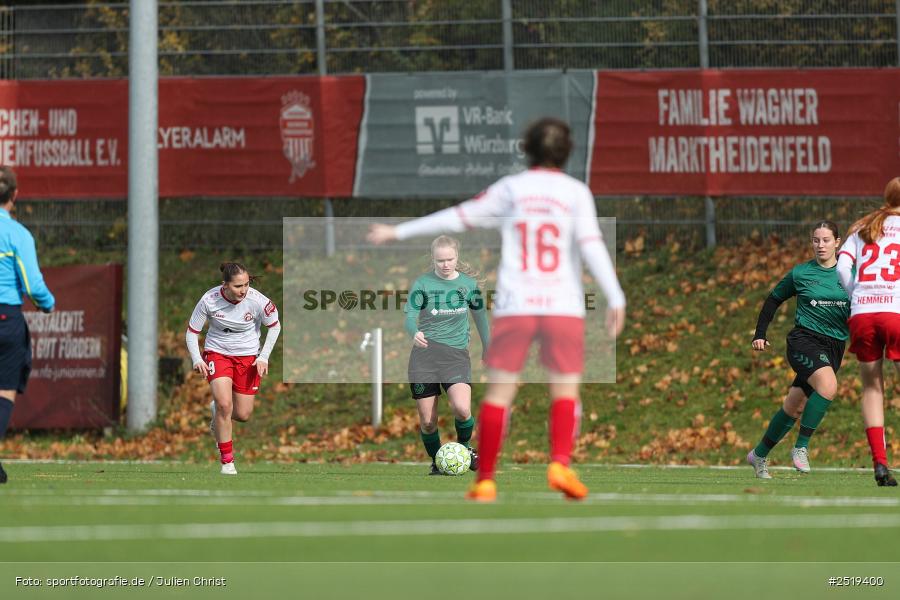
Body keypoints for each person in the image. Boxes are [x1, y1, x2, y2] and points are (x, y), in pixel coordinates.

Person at [368, 117, 626, 502]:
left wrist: (399, 231)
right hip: (562, 305)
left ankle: (485, 479)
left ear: (527, 149)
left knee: (499, 394)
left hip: (517, 303)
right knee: (565, 391)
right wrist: (615, 295)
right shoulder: (575, 192)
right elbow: (591, 244)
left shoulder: (512, 189)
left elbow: (458, 216)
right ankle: (559, 463)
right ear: (567, 151)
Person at [748, 221, 849, 479]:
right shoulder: (801, 273)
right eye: (816, 240)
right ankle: (801, 447)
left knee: (794, 405)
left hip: (835, 346)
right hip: (804, 340)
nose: (821, 245)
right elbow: (773, 299)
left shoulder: (851, 273)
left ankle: (758, 454)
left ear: (837, 242)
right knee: (828, 386)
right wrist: (760, 333)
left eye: (826, 240)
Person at [185, 262, 280, 475]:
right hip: (217, 353)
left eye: (246, 284)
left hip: (247, 357)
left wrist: (263, 357)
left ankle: (216, 411)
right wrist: (197, 358)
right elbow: (192, 332)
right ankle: (227, 462)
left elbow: (275, 325)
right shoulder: (209, 300)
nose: (243, 290)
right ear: (225, 285)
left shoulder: (257, 301)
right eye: (238, 286)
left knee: (243, 414)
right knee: (224, 405)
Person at [405, 235, 490, 475]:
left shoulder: (468, 285)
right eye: (440, 260)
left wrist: (488, 347)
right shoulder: (422, 284)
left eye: (449, 259)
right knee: (428, 422)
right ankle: (437, 460)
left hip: (455, 357)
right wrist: (414, 332)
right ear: (432, 259)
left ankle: (464, 450)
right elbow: (410, 316)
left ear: (457, 257)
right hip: (424, 358)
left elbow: (480, 318)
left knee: (462, 409)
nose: (445, 264)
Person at [836, 177, 900, 487]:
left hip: (863, 313)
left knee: (872, 388)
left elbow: (840, 267)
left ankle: (880, 464)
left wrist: (856, 295)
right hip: (896, 311)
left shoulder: (865, 226)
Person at [0, 166, 55, 484]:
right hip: (5, 317)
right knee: (4, 390)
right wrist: (47, 303)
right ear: (15, 196)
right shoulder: (17, 234)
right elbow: (33, 286)